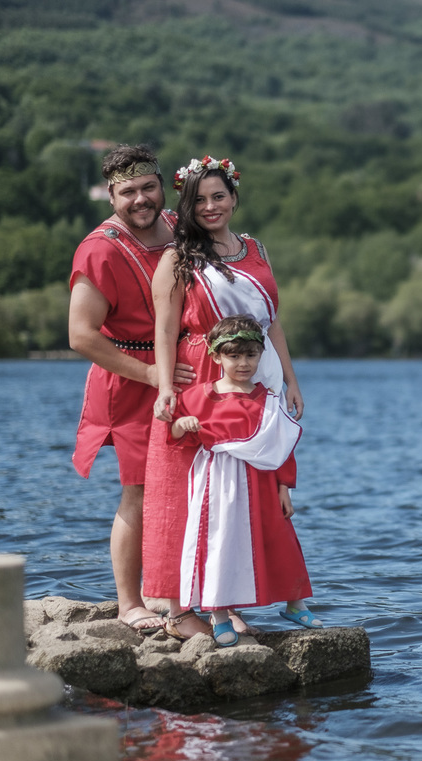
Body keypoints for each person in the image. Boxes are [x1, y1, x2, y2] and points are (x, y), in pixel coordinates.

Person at [143, 154, 304, 640]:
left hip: (255, 372)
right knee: (187, 488)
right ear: (187, 206)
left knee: (247, 491)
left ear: (234, 197)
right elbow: (165, 328)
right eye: (200, 200)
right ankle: (178, 607)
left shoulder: (256, 248)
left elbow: (271, 320)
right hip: (201, 375)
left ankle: (228, 597)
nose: (211, 206)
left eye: (219, 196)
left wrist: (291, 379)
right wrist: (165, 386)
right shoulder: (179, 258)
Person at [68, 144, 196, 632]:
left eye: (148, 187)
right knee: (140, 490)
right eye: (128, 192)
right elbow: (81, 336)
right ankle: (129, 603)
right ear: (110, 196)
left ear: (162, 187)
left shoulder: (181, 229)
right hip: (130, 375)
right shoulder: (98, 249)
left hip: (183, 370)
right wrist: (150, 375)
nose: (140, 199)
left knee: (193, 485)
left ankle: (175, 594)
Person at [167, 314, 318, 647]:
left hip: (261, 481)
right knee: (219, 544)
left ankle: (296, 604)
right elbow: (175, 435)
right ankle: (219, 615)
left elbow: (281, 446)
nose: (243, 363)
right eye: (234, 356)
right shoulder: (198, 396)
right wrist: (182, 424)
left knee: (280, 539)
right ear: (216, 357)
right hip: (217, 483)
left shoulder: (268, 399)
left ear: (261, 355)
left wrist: (284, 487)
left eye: (250, 355)